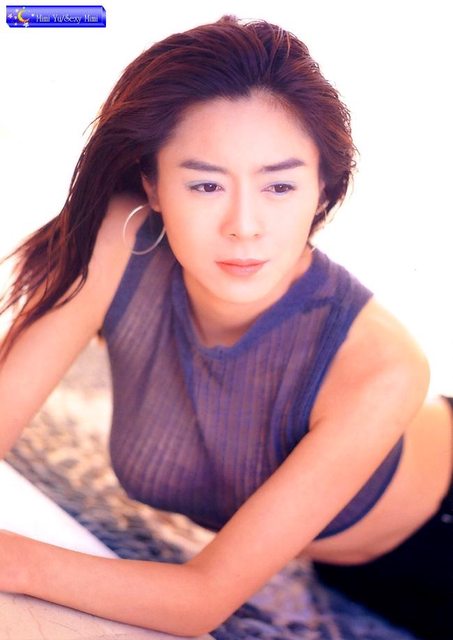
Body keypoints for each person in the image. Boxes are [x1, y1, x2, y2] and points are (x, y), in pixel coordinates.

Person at [0, 14, 451, 640]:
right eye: (206, 184)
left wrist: (14, 562)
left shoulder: (383, 365)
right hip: (339, 568)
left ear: (323, 191)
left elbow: (199, 602)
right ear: (153, 183)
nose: (244, 225)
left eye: (280, 186)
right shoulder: (120, 239)